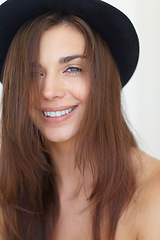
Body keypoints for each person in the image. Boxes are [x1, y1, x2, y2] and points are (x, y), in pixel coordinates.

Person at [0, 0, 160, 239]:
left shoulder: (153, 192)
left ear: (103, 82)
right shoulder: (7, 195)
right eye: (34, 73)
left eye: (72, 69)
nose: (49, 91)